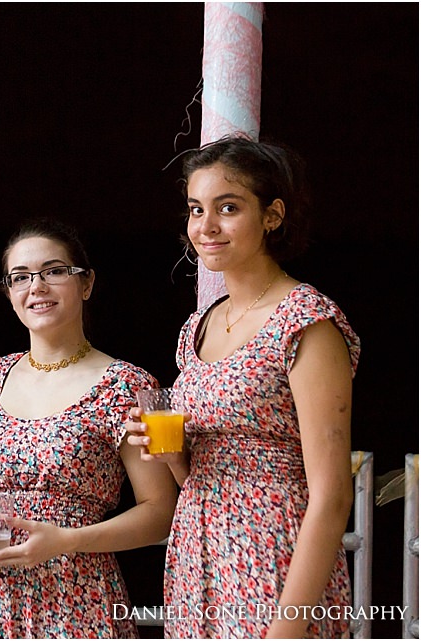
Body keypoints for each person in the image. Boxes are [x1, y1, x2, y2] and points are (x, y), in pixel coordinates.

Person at [126, 136, 361, 638]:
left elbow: (333, 494)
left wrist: (288, 625)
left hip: (276, 556)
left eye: (227, 208)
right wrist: (172, 455)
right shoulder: (199, 326)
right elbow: (201, 474)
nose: (205, 227)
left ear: (272, 215)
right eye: (195, 209)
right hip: (198, 555)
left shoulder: (306, 322)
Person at [0, 218, 178, 638]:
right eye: (20, 277)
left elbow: (159, 513)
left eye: (54, 271)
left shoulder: (125, 384)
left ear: (86, 283)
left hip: (79, 593)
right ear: (10, 293)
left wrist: (67, 540)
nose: (36, 286)